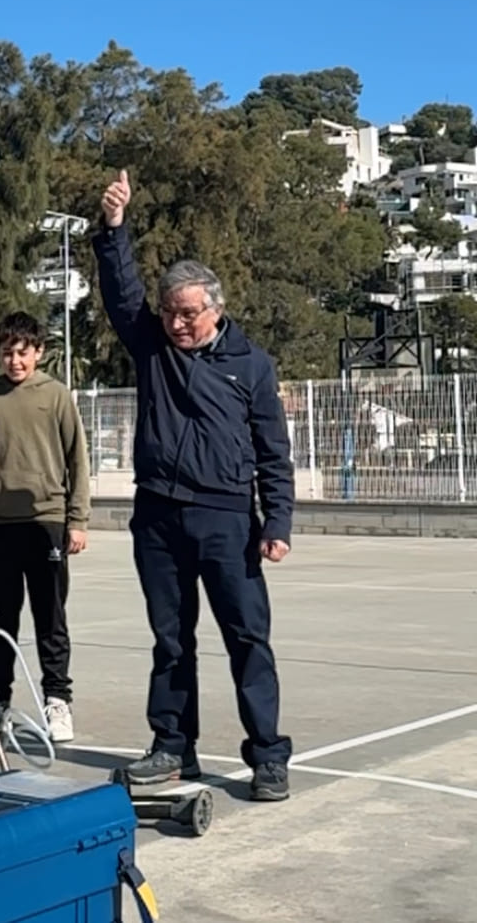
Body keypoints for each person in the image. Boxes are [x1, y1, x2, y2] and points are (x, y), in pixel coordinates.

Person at [93, 169, 294, 803]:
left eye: (189, 314)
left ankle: (268, 754)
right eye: (170, 313)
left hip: (227, 520)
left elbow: (274, 450)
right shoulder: (152, 347)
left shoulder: (251, 365)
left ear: (216, 309)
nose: (178, 324)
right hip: (157, 515)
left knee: (247, 638)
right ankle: (173, 747)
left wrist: (278, 522)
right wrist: (114, 228)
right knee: (171, 639)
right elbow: (121, 291)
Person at [0, 310, 90, 744]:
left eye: (22, 352)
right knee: (1, 621)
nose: (14, 361)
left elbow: (77, 459)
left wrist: (77, 519)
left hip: (47, 522)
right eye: (7, 353)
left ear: (38, 352)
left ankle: (57, 700)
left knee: (50, 618)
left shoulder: (56, 396)